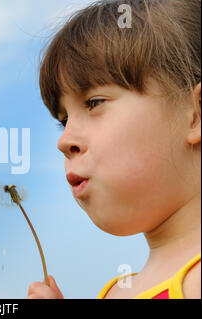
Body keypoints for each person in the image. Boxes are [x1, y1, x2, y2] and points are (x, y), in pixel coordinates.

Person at [27, 0, 201, 299]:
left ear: (196, 115)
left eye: (94, 103)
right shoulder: (115, 292)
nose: (64, 140)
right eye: (64, 119)